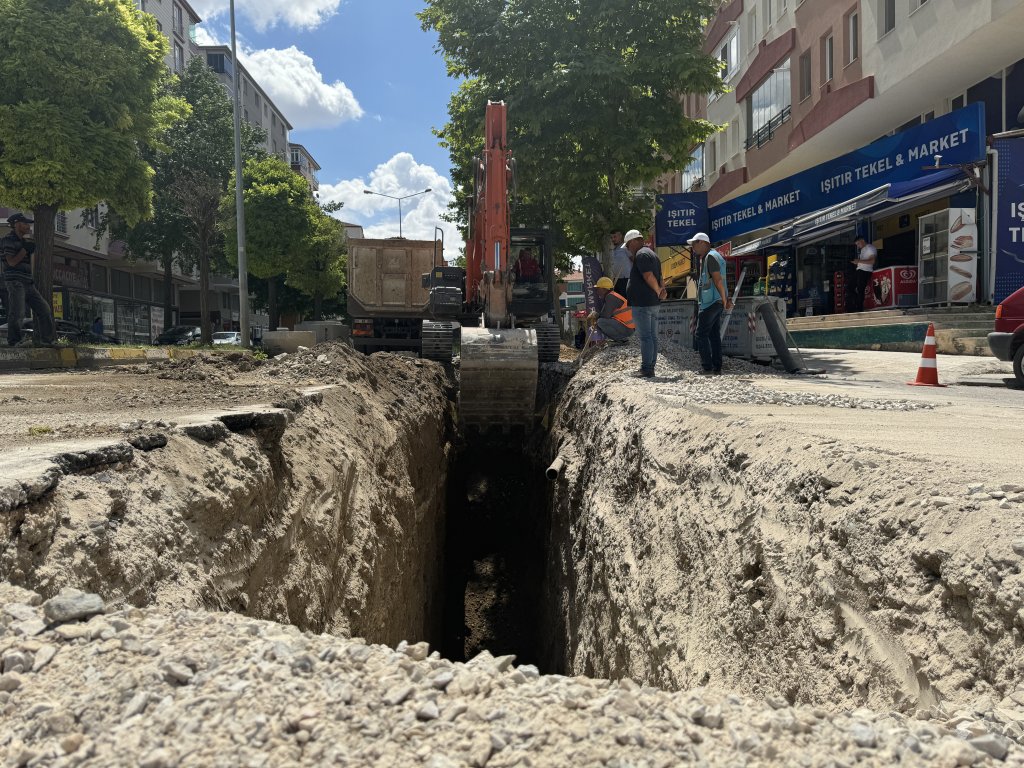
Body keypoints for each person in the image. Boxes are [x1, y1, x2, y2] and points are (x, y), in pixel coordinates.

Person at [2, 213, 55, 347]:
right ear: (16, 224)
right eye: (25, 223)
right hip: (15, 281)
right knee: (18, 312)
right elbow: (11, 262)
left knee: (44, 309)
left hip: (28, 282)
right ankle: (14, 342)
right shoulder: (8, 240)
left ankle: (48, 340)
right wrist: (25, 251)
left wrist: (26, 249)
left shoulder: (23, 242)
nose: (28, 226)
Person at [624, 229, 666, 377]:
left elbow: (648, 276)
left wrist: (658, 290)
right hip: (653, 303)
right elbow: (660, 276)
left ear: (634, 241)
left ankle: (647, 369)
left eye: (628, 246)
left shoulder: (641, 254)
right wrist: (661, 290)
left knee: (646, 337)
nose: (629, 250)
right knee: (652, 336)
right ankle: (650, 367)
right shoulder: (653, 254)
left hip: (642, 303)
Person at [689, 232, 732, 375]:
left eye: (694, 244)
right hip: (716, 301)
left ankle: (707, 367)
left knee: (700, 335)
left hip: (711, 302)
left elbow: (718, 280)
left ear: (702, 242)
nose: (693, 247)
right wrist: (724, 299)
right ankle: (717, 367)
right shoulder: (715, 256)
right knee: (713, 335)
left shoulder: (711, 257)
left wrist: (724, 300)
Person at [588, 276, 635, 344]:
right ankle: (620, 339)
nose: (597, 291)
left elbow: (605, 316)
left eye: (598, 289)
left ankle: (622, 339)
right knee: (600, 321)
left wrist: (596, 315)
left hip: (628, 329)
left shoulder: (610, 297)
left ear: (604, 289)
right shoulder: (612, 296)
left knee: (601, 322)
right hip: (628, 327)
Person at [850, 235, 876, 313]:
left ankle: (859, 308)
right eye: (856, 245)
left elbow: (872, 261)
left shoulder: (870, 248)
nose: (858, 246)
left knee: (860, 289)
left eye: (858, 244)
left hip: (865, 271)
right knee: (849, 287)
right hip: (859, 270)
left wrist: (859, 261)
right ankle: (857, 305)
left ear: (862, 240)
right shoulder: (863, 249)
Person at [609, 229, 631, 295]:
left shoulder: (626, 247)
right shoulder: (613, 249)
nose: (613, 239)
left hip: (626, 279)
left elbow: (634, 259)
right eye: (611, 237)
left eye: (615, 237)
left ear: (620, 236)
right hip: (616, 280)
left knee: (627, 301)